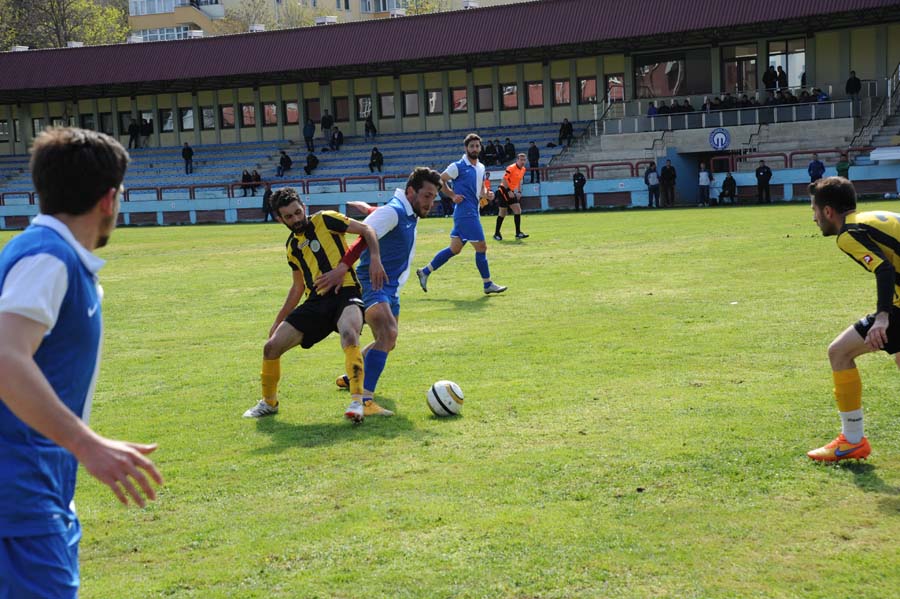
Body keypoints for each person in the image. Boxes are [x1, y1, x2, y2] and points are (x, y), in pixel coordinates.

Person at [0, 127, 163, 598]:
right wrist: (87, 444)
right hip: (21, 498)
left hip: (36, 490)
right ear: (109, 200)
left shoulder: (41, 254)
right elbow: (7, 358)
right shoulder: (48, 259)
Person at [242, 187, 385, 422]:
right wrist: (278, 321)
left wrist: (374, 260)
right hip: (316, 303)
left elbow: (367, 229)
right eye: (288, 216)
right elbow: (297, 288)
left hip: (346, 293)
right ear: (280, 219)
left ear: (303, 207)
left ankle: (357, 402)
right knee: (271, 348)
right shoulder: (292, 247)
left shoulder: (325, 219)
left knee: (350, 334)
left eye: (298, 212)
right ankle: (269, 403)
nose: (296, 219)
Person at [315, 168, 442, 413]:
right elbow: (362, 237)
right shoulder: (393, 212)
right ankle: (365, 399)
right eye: (427, 196)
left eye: (434, 197)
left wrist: (369, 209)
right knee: (388, 334)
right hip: (372, 283)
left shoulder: (405, 211)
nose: (431, 202)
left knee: (387, 341)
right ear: (410, 192)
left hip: (390, 287)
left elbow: (382, 218)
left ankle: (351, 375)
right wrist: (342, 269)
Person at [805, 176, 896, 462]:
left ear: (828, 211)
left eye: (814, 211)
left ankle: (852, 440)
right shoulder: (870, 218)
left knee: (839, 352)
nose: (815, 219)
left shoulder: (849, 234)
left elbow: (883, 270)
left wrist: (883, 317)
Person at [415, 133, 507, 296]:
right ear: (466, 148)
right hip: (466, 213)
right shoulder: (457, 166)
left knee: (455, 249)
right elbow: (440, 180)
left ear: (480, 148)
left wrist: (487, 194)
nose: (475, 148)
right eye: (471, 146)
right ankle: (487, 284)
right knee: (482, 247)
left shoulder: (481, 167)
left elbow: (480, 190)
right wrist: (451, 195)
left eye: (477, 146)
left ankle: (425, 271)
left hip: (470, 212)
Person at [493, 152, 529, 241]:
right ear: (517, 160)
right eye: (521, 160)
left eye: (524, 160)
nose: (523, 161)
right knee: (503, 212)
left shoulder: (523, 169)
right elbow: (504, 179)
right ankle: (496, 233)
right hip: (503, 190)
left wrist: (519, 191)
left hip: (511, 191)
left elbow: (519, 181)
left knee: (517, 210)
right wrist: (508, 191)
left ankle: (518, 233)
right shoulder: (511, 168)